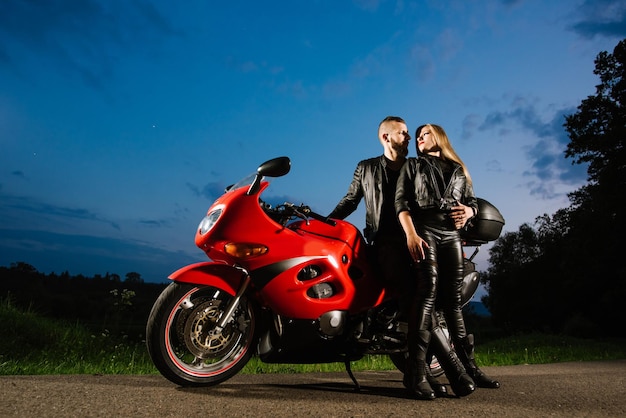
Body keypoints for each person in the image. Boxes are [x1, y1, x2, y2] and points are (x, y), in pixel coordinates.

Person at [328, 116, 471, 400]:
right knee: (414, 295)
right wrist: (324, 222)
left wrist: (468, 211)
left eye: (409, 134)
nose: (409, 137)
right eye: (403, 133)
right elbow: (350, 201)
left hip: (420, 238)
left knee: (425, 299)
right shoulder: (366, 168)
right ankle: (443, 370)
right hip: (386, 243)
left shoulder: (415, 167)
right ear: (386, 137)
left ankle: (430, 371)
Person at [395, 123, 500, 397]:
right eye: (417, 136)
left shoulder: (458, 170)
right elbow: (401, 204)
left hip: (451, 234)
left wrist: (469, 210)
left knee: (453, 302)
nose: (419, 138)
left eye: (424, 134)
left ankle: (470, 368)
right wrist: (410, 235)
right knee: (427, 292)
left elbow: (471, 202)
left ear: (439, 137)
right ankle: (416, 372)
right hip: (424, 229)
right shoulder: (412, 166)